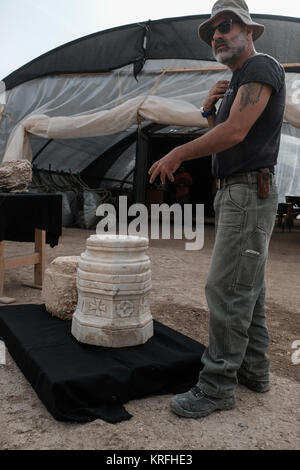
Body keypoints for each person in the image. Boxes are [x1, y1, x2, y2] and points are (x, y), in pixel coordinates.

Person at [148, 0, 286, 418]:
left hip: (247, 192)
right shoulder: (237, 82)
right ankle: (254, 371)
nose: (218, 35)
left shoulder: (261, 68)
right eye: (213, 31)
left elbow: (236, 131)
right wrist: (209, 110)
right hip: (236, 190)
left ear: (248, 31)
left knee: (226, 289)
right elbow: (228, 136)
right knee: (249, 289)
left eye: (227, 26)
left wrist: (177, 154)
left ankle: (216, 387)